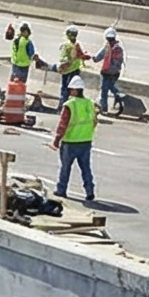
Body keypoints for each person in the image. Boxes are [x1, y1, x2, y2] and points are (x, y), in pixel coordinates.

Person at [52, 76, 99, 204]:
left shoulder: (70, 105)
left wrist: (57, 139)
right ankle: (89, 191)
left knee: (65, 167)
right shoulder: (89, 103)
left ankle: (61, 190)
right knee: (86, 168)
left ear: (74, 90)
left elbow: (63, 124)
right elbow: (95, 121)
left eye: (70, 90)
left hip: (70, 142)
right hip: (86, 141)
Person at [95, 29, 125, 115]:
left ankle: (104, 108)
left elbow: (97, 57)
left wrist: (92, 58)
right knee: (110, 86)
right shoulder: (119, 48)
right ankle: (117, 94)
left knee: (104, 90)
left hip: (106, 72)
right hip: (116, 73)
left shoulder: (107, 47)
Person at [10, 22, 40, 106]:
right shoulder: (27, 42)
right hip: (24, 66)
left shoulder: (16, 40)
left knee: (13, 83)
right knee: (21, 85)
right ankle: (19, 101)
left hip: (15, 64)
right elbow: (31, 54)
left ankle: (10, 98)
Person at [55, 28, 86, 109]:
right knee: (70, 89)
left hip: (69, 70)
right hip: (72, 69)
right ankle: (65, 106)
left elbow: (63, 57)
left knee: (66, 89)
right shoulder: (75, 45)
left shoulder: (68, 45)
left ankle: (63, 106)